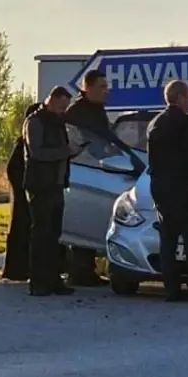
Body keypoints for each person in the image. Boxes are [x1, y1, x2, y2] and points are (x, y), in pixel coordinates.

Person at [147, 80, 188, 302]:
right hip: (183, 187)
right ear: (180, 97)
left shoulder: (155, 123)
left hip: (160, 187)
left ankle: (171, 289)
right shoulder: (185, 123)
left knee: (168, 240)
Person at [63, 68, 119, 286]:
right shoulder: (77, 113)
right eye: (102, 87)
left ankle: (85, 270)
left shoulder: (96, 111)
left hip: (97, 171)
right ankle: (79, 271)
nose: (106, 91)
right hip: (82, 173)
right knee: (81, 224)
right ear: (87, 88)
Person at [23, 86, 80, 297]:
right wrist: (65, 152)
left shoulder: (58, 123)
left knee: (54, 235)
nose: (63, 111)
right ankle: (38, 282)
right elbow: (37, 152)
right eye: (61, 106)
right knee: (41, 234)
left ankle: (54, 279)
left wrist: (72, 152)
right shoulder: (35, 122)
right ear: (52, 100)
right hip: (40, 185)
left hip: (56, 184)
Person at [1, 101, 43, 282]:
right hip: (23, 192)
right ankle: (17, 269)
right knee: (21, 228)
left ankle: (25, 268)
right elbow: (13, 169)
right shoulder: (24, 142)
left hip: (29, 189)